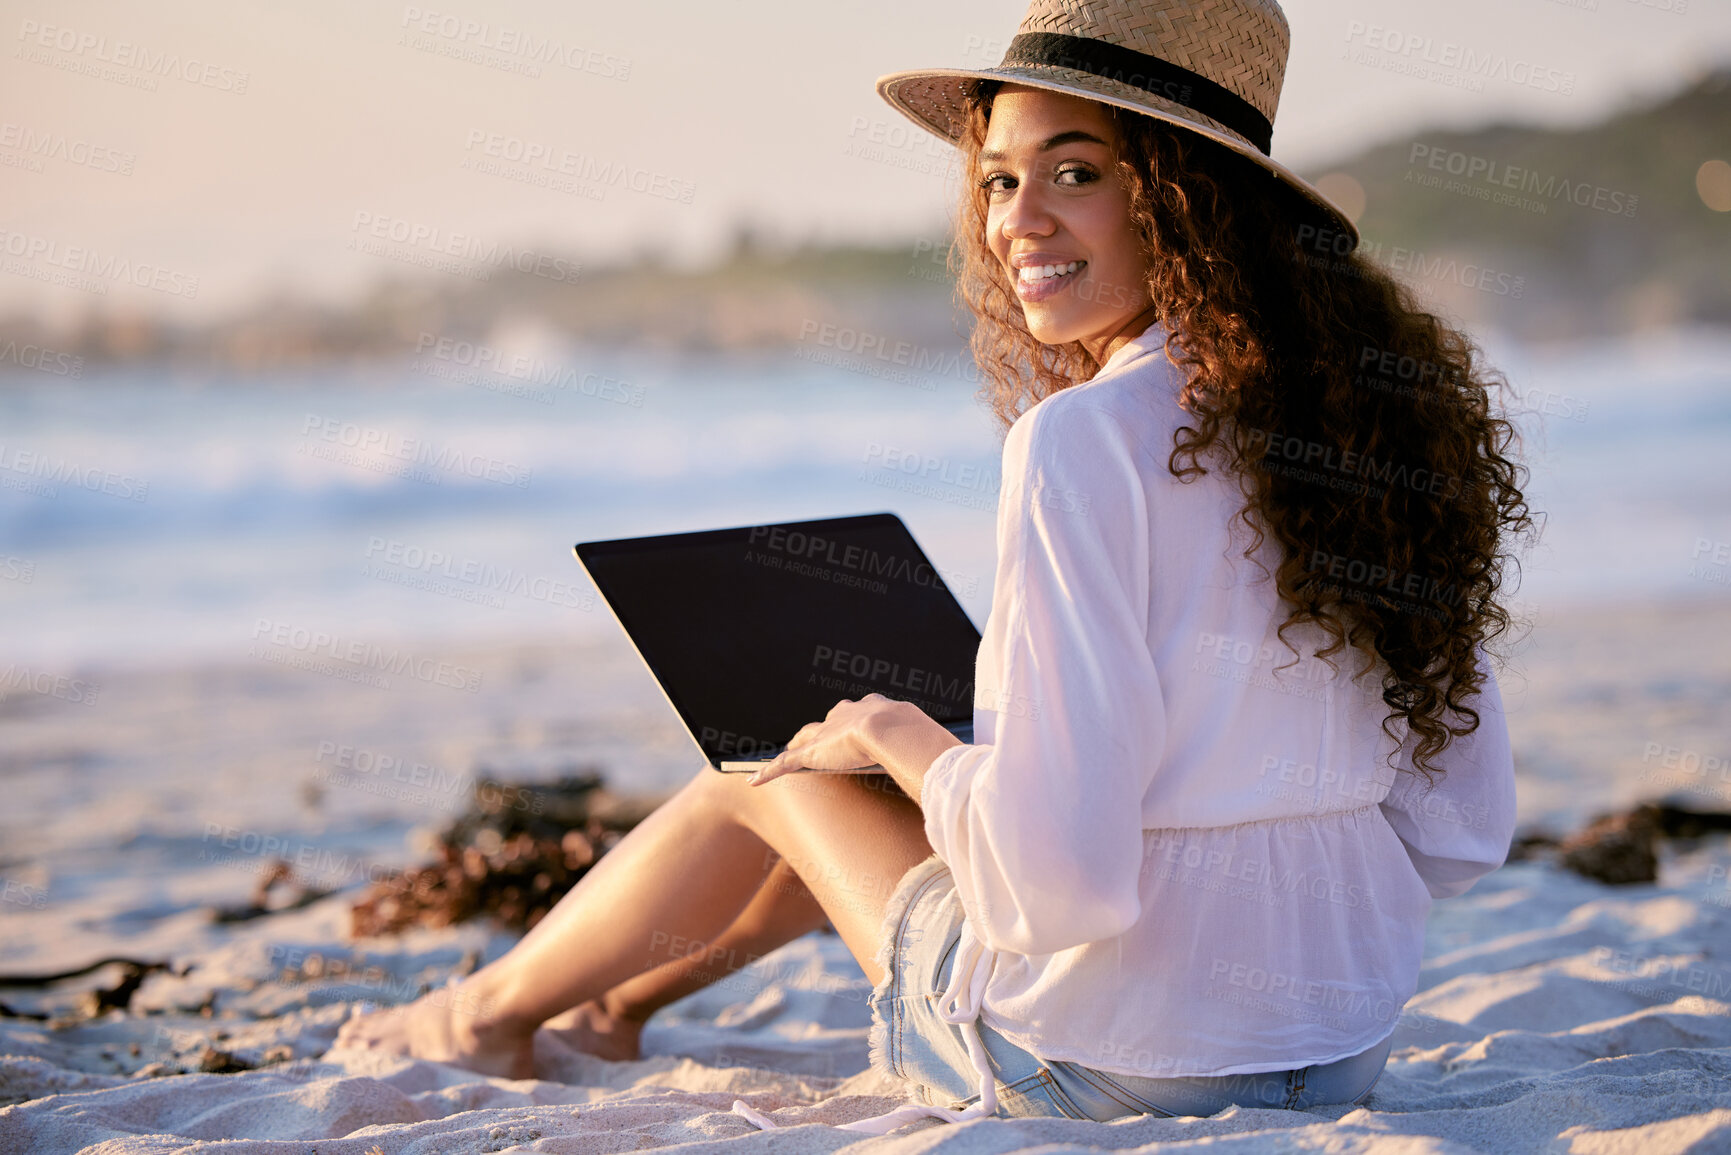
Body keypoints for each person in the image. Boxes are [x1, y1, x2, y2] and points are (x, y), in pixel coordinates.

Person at [335, 0, 1529, 1132]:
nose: (1018, 220)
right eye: (1001, 180)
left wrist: (905, 744)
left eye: (1077, 173)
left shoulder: (1084, 439)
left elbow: (1058, 889)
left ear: (1189, 198)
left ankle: (476, 1018)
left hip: (1101, 1074)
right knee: (880, 774)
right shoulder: (1371, 434)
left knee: (775, 771)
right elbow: (1459, 833)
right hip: (1338, 1054)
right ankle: (611, 1007)